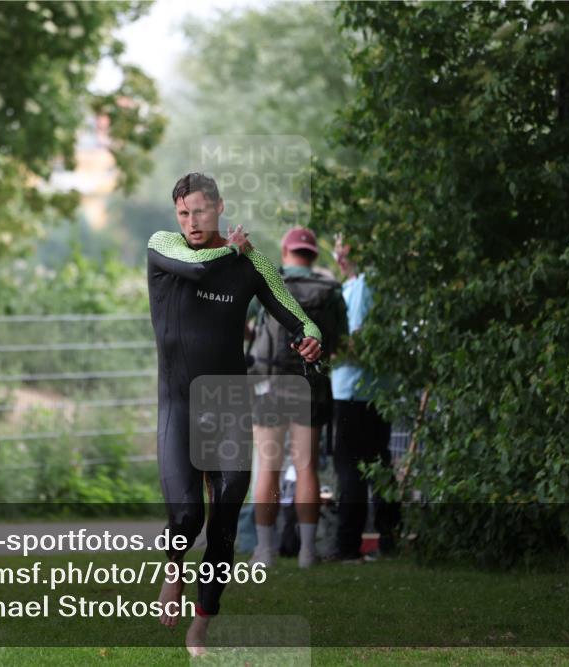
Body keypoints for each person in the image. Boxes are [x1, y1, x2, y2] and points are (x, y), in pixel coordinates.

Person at [147, 173, 323, 656]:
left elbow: (294, 311)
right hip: (178, 404)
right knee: (186, 517)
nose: (191, 221)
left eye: (200, 211)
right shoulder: (164, 244)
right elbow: (201, 269)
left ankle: (203, 620)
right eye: (184, 213)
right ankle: (174, 570)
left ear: (219, 207)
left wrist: (312, 336)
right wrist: (233, 251)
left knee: (223, 521)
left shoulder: (254, 263)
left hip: (227, 403)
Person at [246, 227, 346, 569]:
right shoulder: (331, 291)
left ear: (286, 252)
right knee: (306, 468)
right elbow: (340, 343)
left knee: (269, 468)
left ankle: (265, 552)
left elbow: (245, 329)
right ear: (313, 255)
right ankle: (306, 552)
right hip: (311, 384)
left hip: (270, 384)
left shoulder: (269, 282)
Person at [329, 235, 401, 562]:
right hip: (378, 391)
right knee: (379, 464)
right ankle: (390, 539)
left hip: (353, 390)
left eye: (342, 247)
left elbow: (357, 342)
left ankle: (347, 545)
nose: (338, 254)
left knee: (350, 468)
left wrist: (320, 355)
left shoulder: (361, 287)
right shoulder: (380, 286)